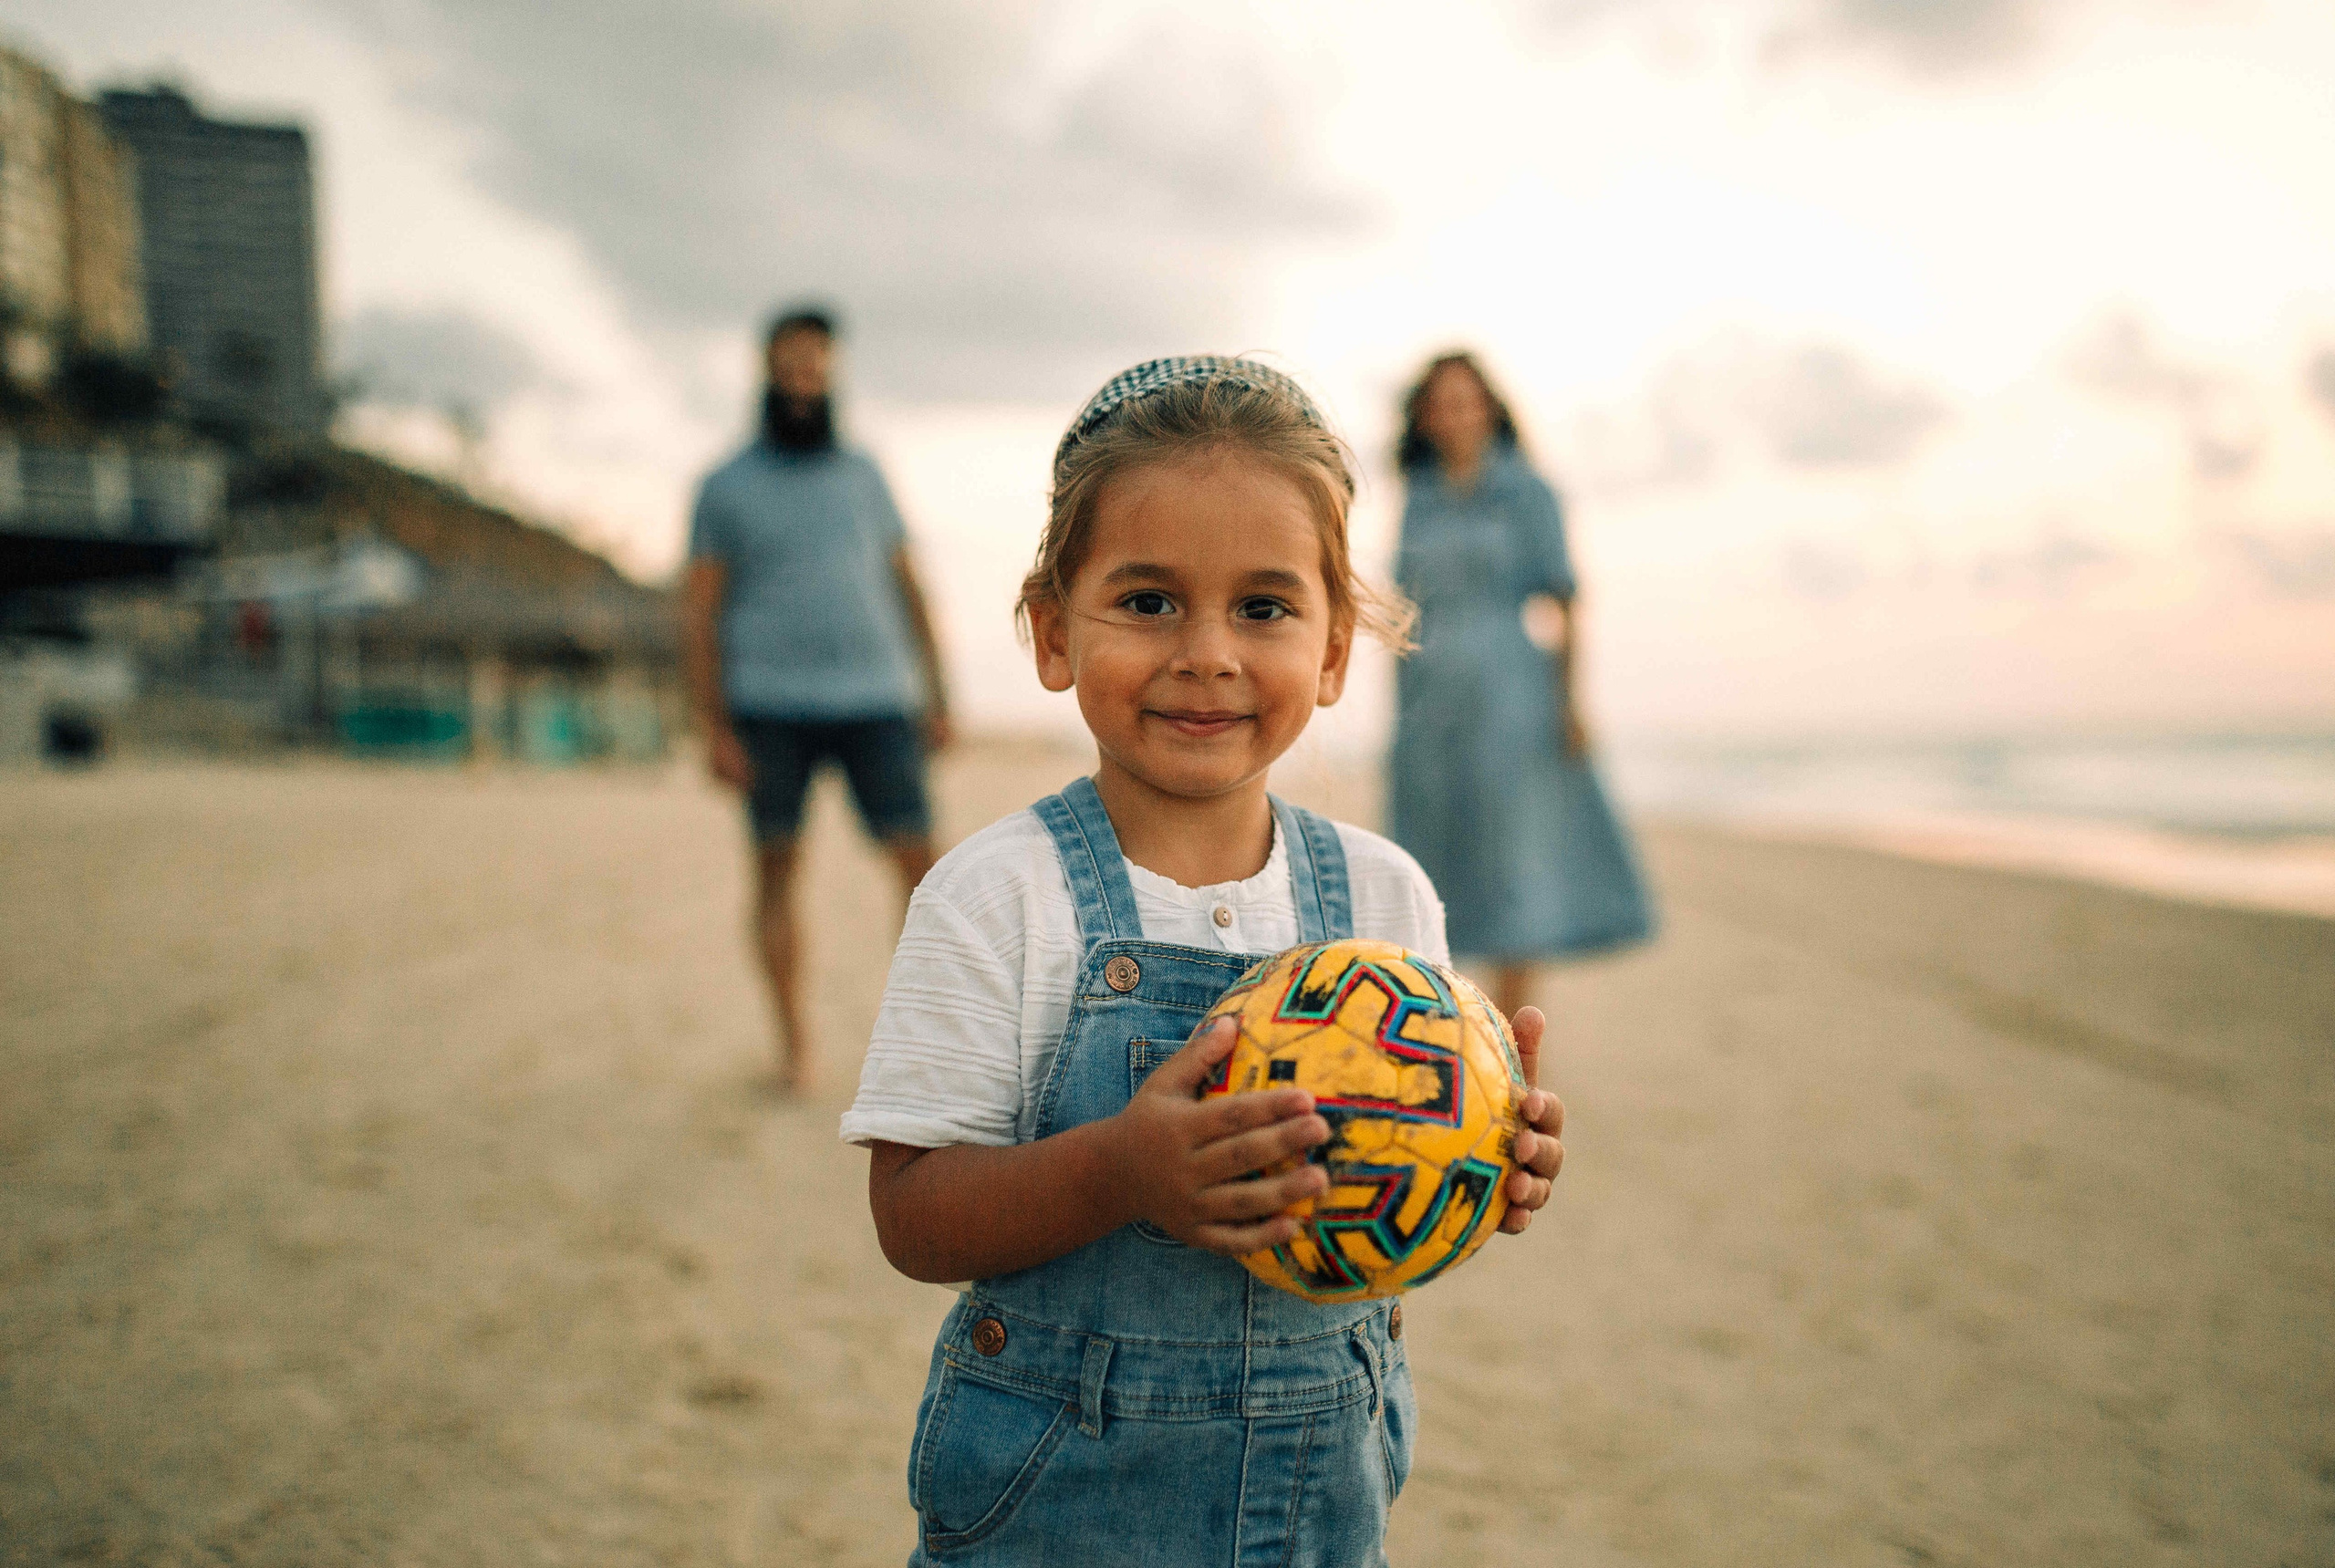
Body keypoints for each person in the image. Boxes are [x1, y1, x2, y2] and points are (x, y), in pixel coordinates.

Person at [841, 357, 1568, 1564]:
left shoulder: (1387, 902)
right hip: (1051, 1503)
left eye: (1266, 609)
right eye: (1149, 601)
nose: (1209, 652)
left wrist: (1494, 1167)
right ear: (1052, 630)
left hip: (1320, 1504)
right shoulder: (996, 895)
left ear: (1336, 649)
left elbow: (1398, 1196)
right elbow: (913, 1215)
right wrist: (1123, 1168)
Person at [680, 306, 955, 1094]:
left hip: (878, 697)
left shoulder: (865, 474)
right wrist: (711, 724)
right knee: (776, 869)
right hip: (767, 705)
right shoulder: (723, 486)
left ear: (831, 374)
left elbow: (908, 584)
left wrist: (939, 692)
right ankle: (794, 1048)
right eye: (789, 366)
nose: (803, 381)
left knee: (921, 867)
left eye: (816, 367)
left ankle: (929, 1037)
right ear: (766, 372)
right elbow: (698, 610)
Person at [1387, 351, 1654, 1021]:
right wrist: (1397, 709)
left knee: (1512, 864)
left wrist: (1571, 703)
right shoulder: (1417, 497)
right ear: (1424, 416)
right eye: (1442, 402)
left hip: (1510, 693)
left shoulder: (1528, 490)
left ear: (1492, 408)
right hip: (1427, 700)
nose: (1456, 414)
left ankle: (1510, 1048)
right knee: (1428, 862)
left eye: (1468, 399)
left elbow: (1563, 601)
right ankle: (1438, 1034)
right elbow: (1401, 608)